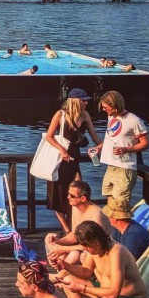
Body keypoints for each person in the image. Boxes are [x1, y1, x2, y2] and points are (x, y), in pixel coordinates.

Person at [53, 221, 149, 298]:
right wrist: (64, 264)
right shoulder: (94, 249)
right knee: (68, 280)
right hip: (107, 294)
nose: (84, 249)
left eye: (87, 246)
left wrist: (82, 288)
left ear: (97, 242)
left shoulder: (116, 252)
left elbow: (114, 293)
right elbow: (86, 271)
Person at [44, 89, 102, 232]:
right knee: (57, 195)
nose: (86, 102)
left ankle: (76, 226)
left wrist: (100, 146)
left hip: (74, 159)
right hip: (59, 160)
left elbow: (94, 136)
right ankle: (67, 229)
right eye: (83, 100)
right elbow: (49, 136)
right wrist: (62, 150)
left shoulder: (85, 115)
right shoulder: (61, 115)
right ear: (76, 101)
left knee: (78, 192)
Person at [93, 91, 149, 214]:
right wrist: (99, 147)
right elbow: (113, 138)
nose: (104, 110)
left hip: (124, 168)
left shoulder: (134, 120)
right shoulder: (111, 117)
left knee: (120, 205)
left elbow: (145, 143)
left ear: (115, 105)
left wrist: (126, 149)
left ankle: (123, 231)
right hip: (111, 166)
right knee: (110, 202)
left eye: (106, 107)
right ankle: (113, 231)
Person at [46, 181, 112, 267]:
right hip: (83, 243)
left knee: (74, 255)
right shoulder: (75, 207)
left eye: (72, 196)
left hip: (95, 248)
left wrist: (64, 249)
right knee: (49, 238)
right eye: (68, 194)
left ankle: (60, 273)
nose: (68, 197)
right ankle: (59, 267)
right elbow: (74, 235)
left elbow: (94, 245)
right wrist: (59, 241)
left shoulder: (96, 215)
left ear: (83, 199)